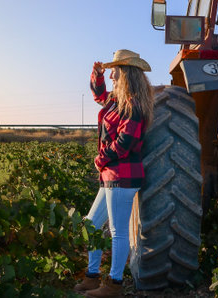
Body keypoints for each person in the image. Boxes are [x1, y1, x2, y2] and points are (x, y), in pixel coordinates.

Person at [74, 49, 154, 298]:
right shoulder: (116, 101)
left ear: (126, 73)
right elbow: (99, 96)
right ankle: (92, 276)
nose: (111, 76)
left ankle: (114, 284)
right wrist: (95, 74)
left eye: (114, 72)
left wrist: (100, 159)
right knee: (91, 225)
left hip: (123, 176)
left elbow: (124, 142)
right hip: (111, 176)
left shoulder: (133, 105)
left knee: (118, 231)